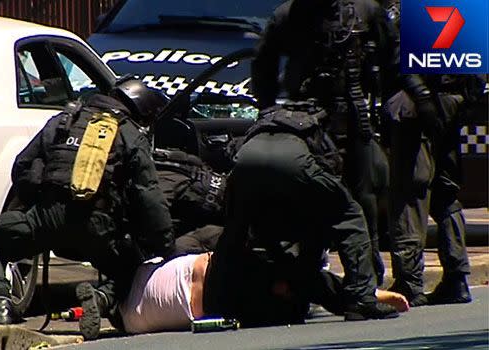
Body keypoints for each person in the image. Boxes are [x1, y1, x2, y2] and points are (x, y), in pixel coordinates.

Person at [0, 78, 176, 341]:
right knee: (135, 262)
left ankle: (0, 305)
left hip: (46, 217)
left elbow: (22, 165)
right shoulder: (129, 134)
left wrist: (35, 205)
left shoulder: (64, 120)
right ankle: (101, 298)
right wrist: (165, 247)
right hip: (98, 226)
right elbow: (149, 196)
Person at [200, 101, 399, 326]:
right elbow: (331, 168)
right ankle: (362, 299)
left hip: (245, 164)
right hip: (292, 163)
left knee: (235, 232)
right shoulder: (314, 128)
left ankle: (217, 302)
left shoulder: (261, 124)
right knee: (350, 216)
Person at [251, 0, 398, 286]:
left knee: (362, 199)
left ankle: (366, 280)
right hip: (309, 122)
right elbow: (263, 66)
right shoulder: (288, 15)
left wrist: (393, 100)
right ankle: (307, 278)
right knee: (312, 199)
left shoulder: (365, 11)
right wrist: (268, 109)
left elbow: (392, 57)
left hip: (355, 121)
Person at [380, 0, 482, 306]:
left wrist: (425, 100)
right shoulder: (461, 8)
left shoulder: (408, 10)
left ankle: (410, 282)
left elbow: (399, 65)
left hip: (417, 113)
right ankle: (457, 276)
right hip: (450, 110)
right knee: (445, 194)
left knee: (410, 195)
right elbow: (476, 78)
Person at [119, 252, 409, 334]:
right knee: (292, 279)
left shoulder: (133, 320)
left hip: (212, 306)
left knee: (290, 299)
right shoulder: (145, 270)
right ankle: (359, 294)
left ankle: (355, 295)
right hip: (211, 276)